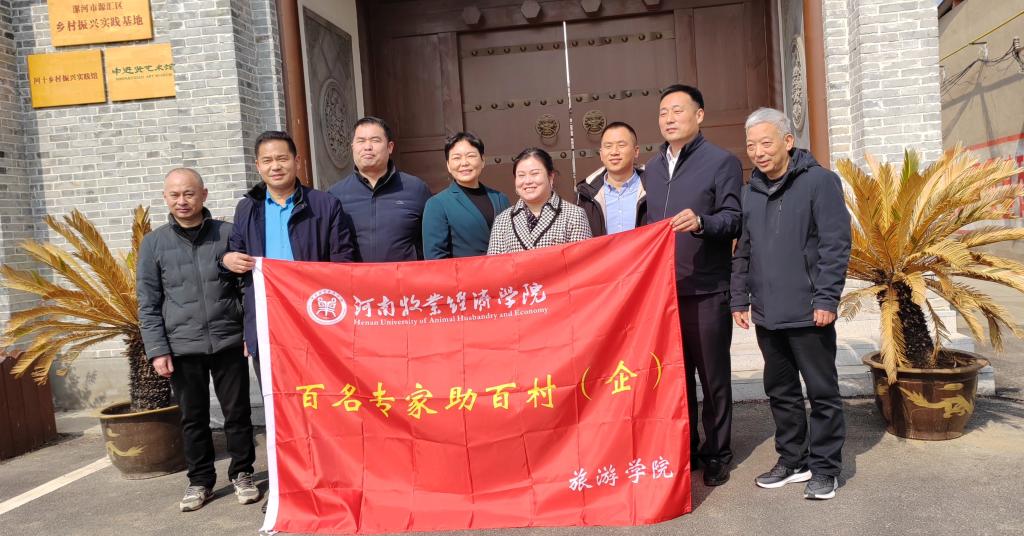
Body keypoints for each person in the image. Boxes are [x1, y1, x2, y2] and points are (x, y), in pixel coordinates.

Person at [731, 107, 851, 500]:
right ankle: (793, 459)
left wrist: (827, 298)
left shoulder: (820, 182)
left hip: (810, 311)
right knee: (780, 391)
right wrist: (739, 298)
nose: (758, 152)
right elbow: (743, 250)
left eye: (766, 143)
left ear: (787, 141)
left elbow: (835, 245)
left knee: (821, 391)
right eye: (752, 146)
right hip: (767, 312)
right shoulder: (751, 191)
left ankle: (826, 468)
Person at [137, 168, 258, 512]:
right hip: (181, 346)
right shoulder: (154, 243)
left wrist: (249, 332)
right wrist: (157, 349)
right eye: (175, 195)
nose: (182, 201)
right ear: (165, 198)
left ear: (203, 195)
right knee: (193, 417)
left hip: (228, 340)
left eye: (189, 193)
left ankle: (243, 472)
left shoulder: (227, 234)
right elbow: (148, 301)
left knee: (237, 413)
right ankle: (200, 480)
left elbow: (246, 288)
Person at [643, 84, 742, 487]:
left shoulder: (721, 162)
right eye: (663, 112)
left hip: (706, 290)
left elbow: (734, 218)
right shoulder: (651, 168)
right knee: (676, 379)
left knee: (713, 378)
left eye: (677, 110)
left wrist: (702, 223)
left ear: (699, 115)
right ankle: (688, 449)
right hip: (664, 292)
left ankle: (718, 453)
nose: (669, 118)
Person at [224, 131, 355, 371]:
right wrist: (228, 259)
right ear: (258, 166)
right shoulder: (247, 208)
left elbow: (343, 260)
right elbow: (235, 255)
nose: (275, 166)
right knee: (274, 390)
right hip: (268, 320)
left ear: (296, 161)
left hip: (315, 315)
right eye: (267, 160)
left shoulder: (325, 205)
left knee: (319, 387)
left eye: (282, 158)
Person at [328, 117, 432, 262]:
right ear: (352, 147)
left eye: (375, 140)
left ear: (390, 147)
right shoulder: (335, 195)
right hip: (356, 276)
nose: (367, 147)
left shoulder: (416, 189)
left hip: (404, 276)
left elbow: (432, 242)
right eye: (361, 141)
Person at [422, 132, 511, 258]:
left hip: (503, 270)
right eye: (456, 158)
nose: (464, 163)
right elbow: (435, 256)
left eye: (471, 156)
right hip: (465, 271)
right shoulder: (437, 204)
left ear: (483, 161)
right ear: (448, 165)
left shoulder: (500, 199)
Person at [487, 147, 592, 254]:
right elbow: (494, 263)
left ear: (550, 177)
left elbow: (583, 261)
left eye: (534, 173)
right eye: (521, 175)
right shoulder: (502, 221)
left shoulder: (574, 215)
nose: (527, 181)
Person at [575, 121, 647, 236]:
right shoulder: (585, 194)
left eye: (621, 145)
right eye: (608, 146)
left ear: (636, 151)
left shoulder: (652, 186)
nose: (614, 152)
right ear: (601, 154)